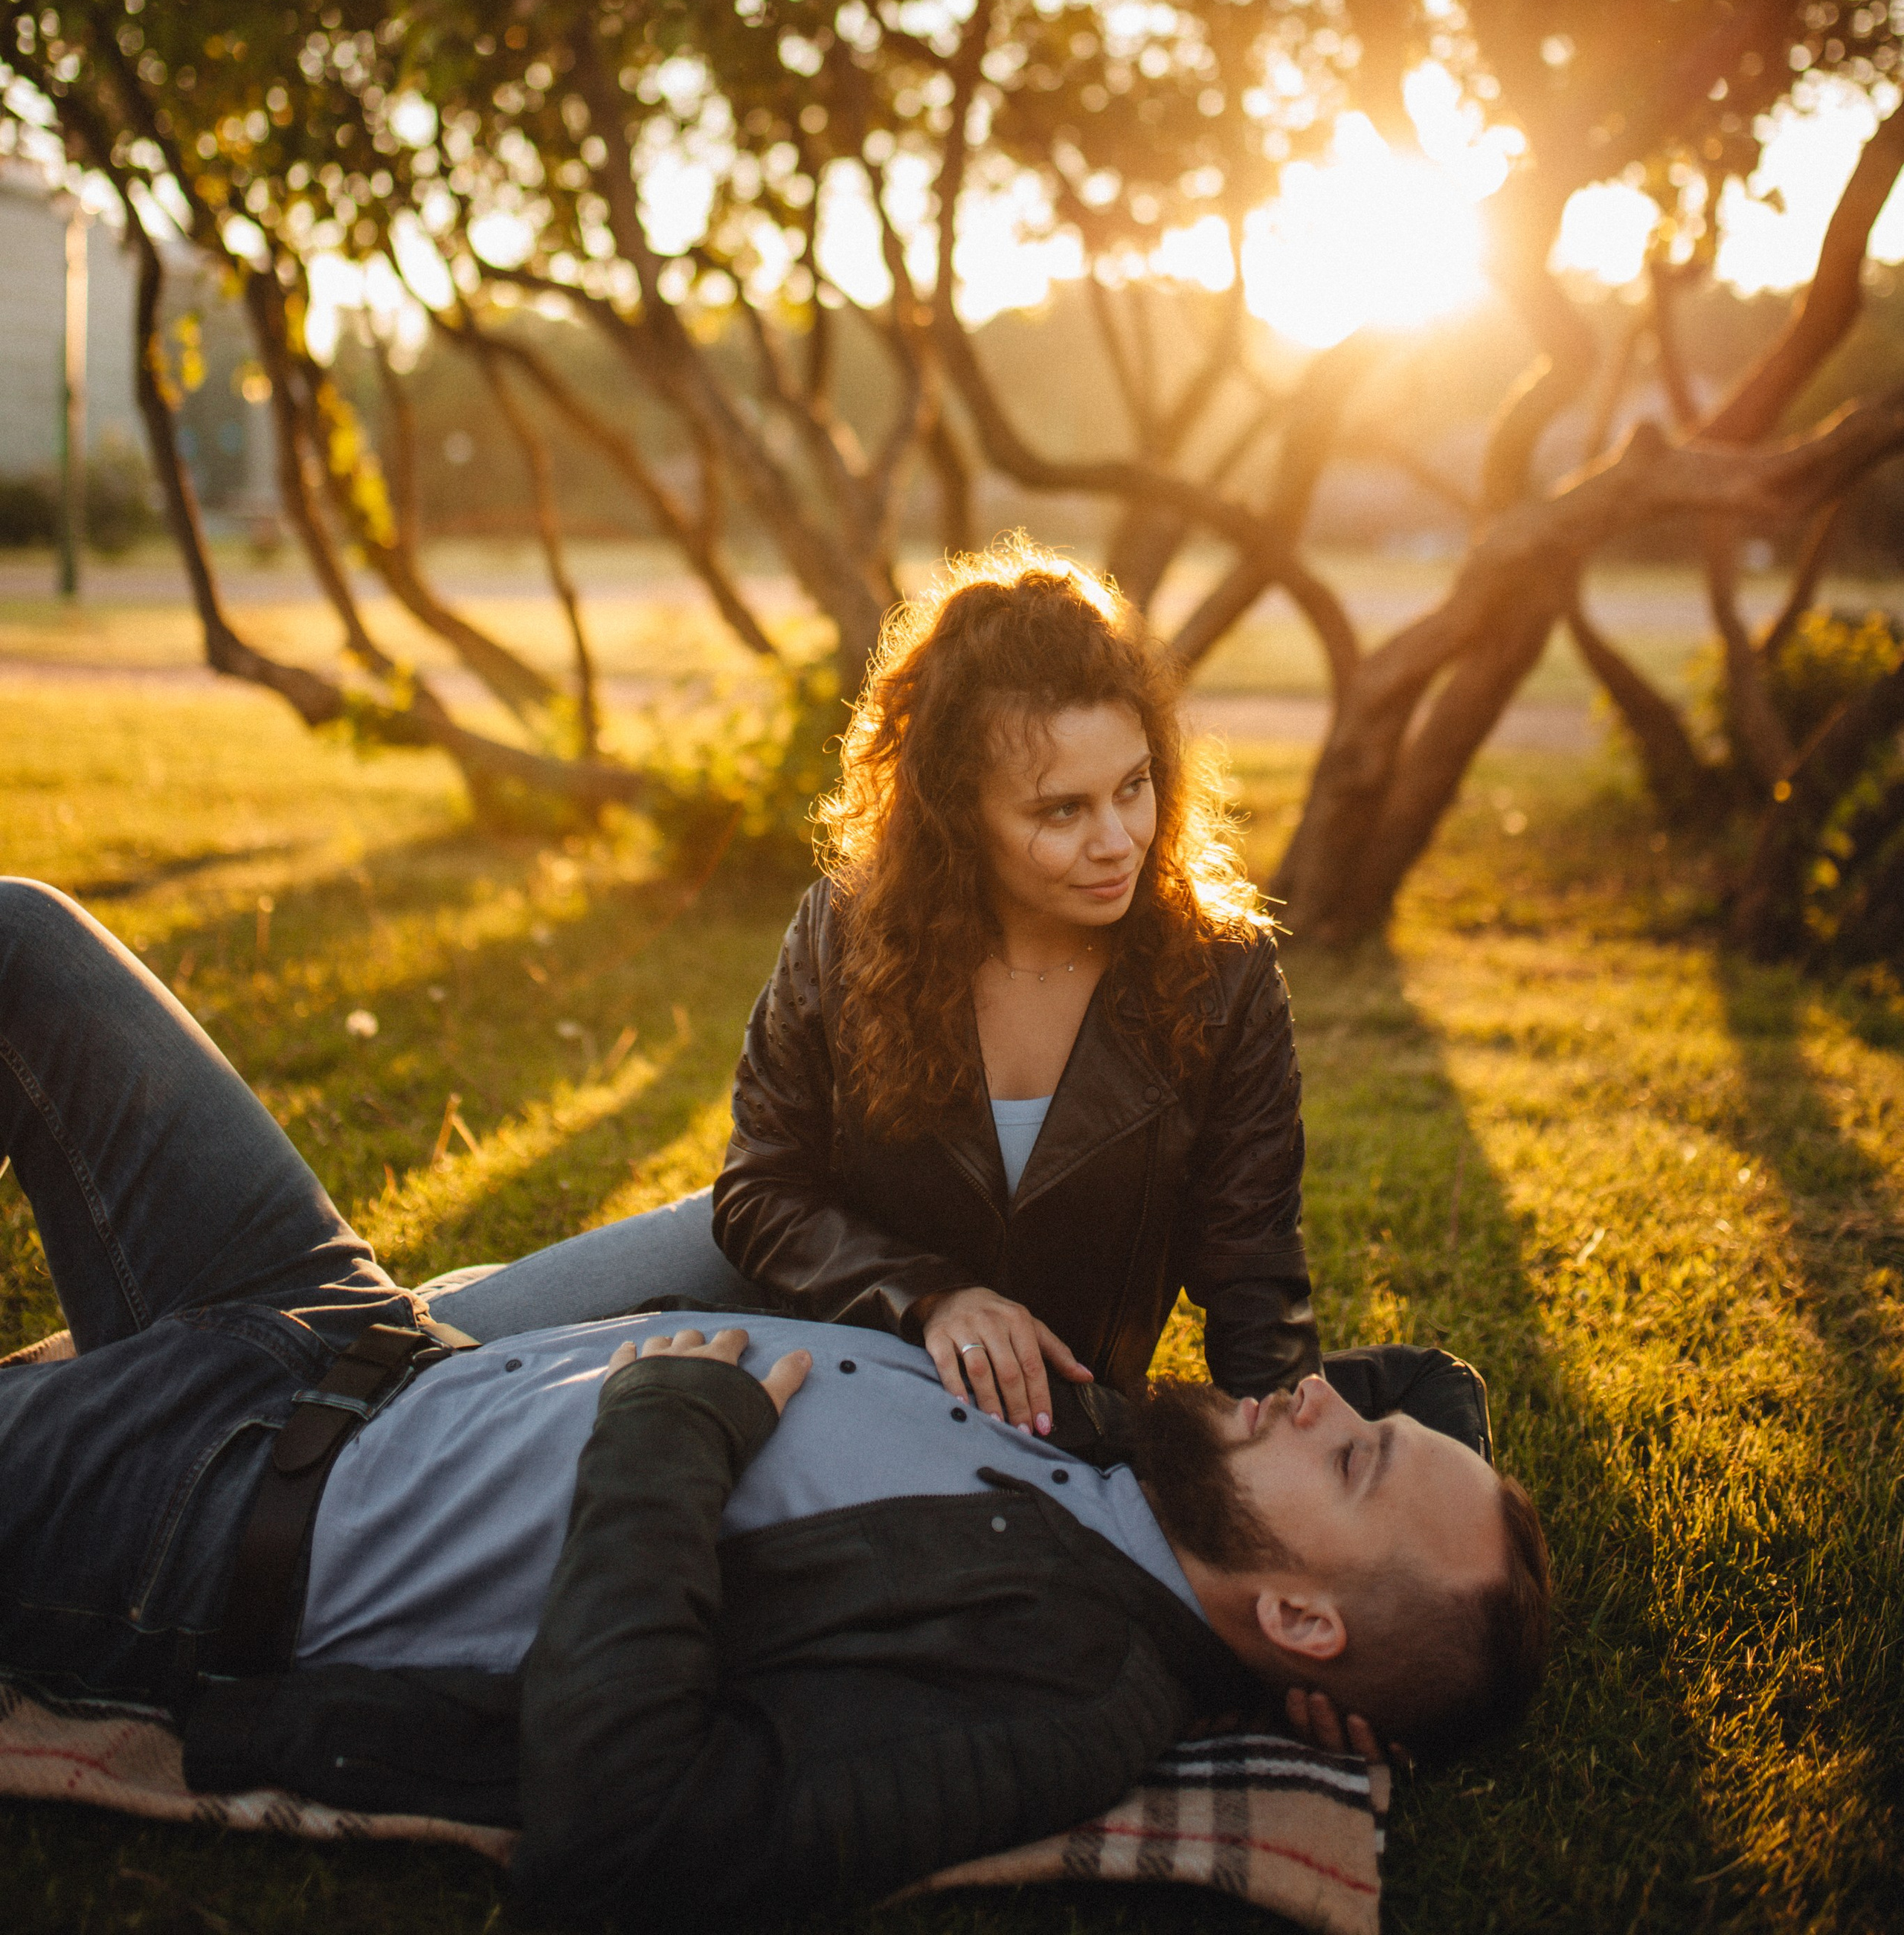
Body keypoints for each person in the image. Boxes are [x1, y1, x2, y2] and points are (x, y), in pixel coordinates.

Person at [0, 878, 1551, 1922]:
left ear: (1296, 1624)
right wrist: (1397, 1545)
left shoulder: (1057, 1688)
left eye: (1346, 1460)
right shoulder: (1134, 1467)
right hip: (337, 1345)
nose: (1305, 1401)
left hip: (188, 1524)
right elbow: (1417, 1399)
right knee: (25, 936)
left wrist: (677, 1415)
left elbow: (626, 1839)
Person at [710, 541, 1321, 1428]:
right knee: (512, 1319)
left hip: (1056, 1419)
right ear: (957, 816)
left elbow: (1254, 1279)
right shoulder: (843, 931)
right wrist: (931, 1296)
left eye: (1134, 786)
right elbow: (759, 1191)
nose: (1117, 839)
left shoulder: (1223, 973)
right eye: (1061, 810)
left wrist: (1287, 1473)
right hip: (844, 1345)